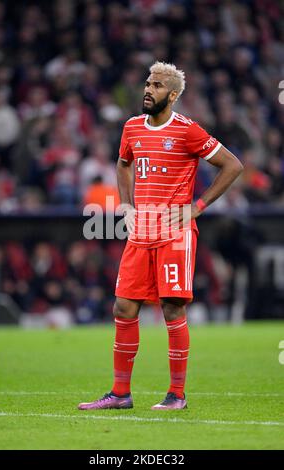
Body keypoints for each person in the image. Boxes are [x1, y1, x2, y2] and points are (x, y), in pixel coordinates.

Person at [78, 62, 243, 411]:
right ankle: (120, 394)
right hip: (141, 231)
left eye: (157, 85)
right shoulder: (132, 127)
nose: (148, 89)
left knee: (172, 308)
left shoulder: (187, 131)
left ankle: (176, 395)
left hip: (175, 233)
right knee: (123, 306)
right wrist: (125, 204)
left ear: (173, 94)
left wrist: (198, 206)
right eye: (147, 83)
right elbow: (123, 164)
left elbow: (233, 165)